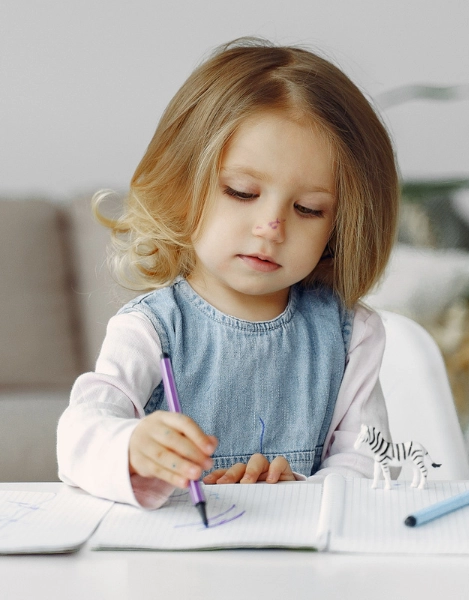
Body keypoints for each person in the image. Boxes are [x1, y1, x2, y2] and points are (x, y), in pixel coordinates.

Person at [57, 36, 398, 508]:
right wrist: (131, 446)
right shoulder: (152, 330)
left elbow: (370, 463)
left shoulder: (350, 335)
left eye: (308, 208)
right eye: (241, 192)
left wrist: (299, 494)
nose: (271, 227)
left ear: (341, 227)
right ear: (182, 186)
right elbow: (79, 433)